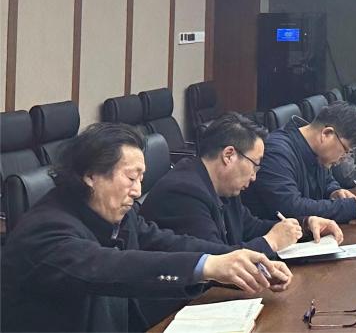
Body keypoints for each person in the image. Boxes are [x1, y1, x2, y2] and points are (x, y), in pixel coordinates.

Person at [1, 123, 292, 332]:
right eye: (131, 178)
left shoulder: (115, 214)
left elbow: (168, 242)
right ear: (91, 175)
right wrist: (207, 266)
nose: (138, 191)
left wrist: (232, 260)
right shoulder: (46, 231)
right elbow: (111, 267)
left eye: (141, 179)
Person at [141, 113, 344, 255]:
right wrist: (270, 243)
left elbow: (250, 227)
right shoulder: (184, 192)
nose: (254, 177)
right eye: (255, 165)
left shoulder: (223, 186)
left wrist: (305, 225)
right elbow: (215, 260)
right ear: (229, 155)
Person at [241, 103, 356, 223]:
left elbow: (327, 179)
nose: (343, 159)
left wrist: (334, 191)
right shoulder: (276, 152)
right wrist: (352, 207)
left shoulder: (317, 152)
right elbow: (291, 208)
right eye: (345, 151)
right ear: (327, 134)